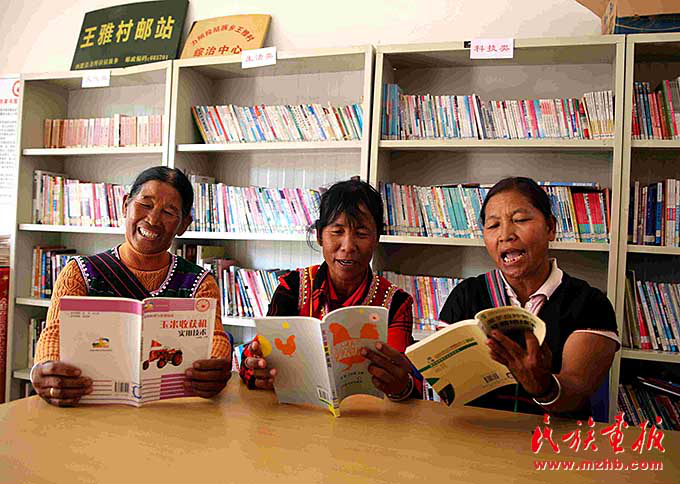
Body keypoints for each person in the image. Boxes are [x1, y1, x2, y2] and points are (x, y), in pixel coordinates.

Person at [31, 166, 232, 406]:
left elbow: (215, 339)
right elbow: (54, 334)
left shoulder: (199, 283)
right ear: (125, 205)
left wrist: (216, 368)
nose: (153, 219)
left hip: (171, 412)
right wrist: (44, 370)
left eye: (169, 212)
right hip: (91, 408)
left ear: (183, 224)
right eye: (145, 204)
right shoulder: (80, 274)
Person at [439, 177, 620, 419]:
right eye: (493, 225)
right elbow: (445, 382)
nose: (505, 235)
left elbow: (577, 391)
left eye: (520, 220)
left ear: (551, 228)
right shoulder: (465, 295)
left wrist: (544, 387)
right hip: (477, 433)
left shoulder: (590, 303)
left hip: (555, 438)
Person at [239, 179, 421, 400]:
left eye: (361, 234)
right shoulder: (292, 287)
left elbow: (406, 384)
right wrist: (254, 366)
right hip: (297, 413)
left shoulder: (397, 303)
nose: (348, 246)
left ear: (377, 239)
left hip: (368, 416)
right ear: (319, 236)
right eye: (337, 231)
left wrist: (401, 386)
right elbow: (258, 355)